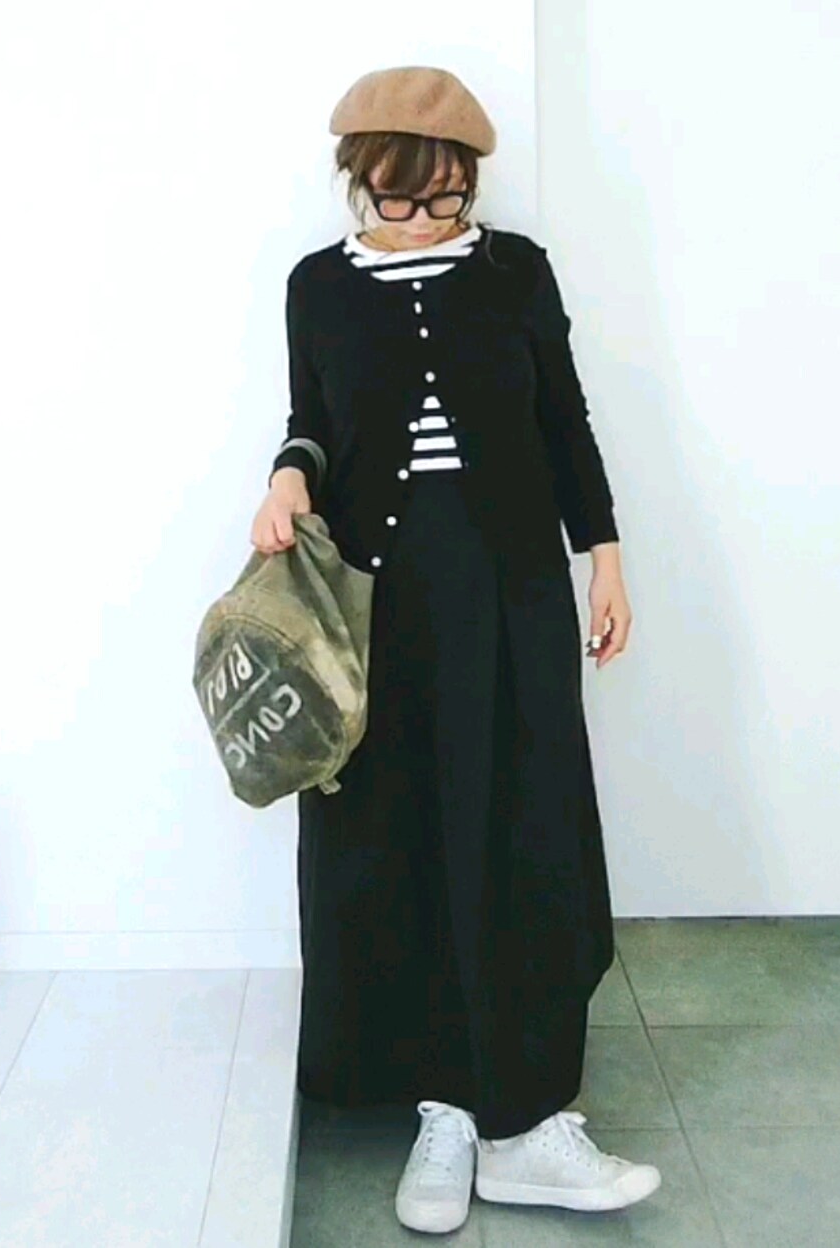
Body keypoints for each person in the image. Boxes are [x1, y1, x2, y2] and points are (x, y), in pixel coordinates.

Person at [250, 65, 661, 1233]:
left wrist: (605, 556)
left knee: (524, 830)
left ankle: (526, 1121)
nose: (426, 220)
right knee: (401, 839)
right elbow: (312, 423)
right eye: (401, 198)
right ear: (357, 180)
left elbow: (562, 418)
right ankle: (442, 1112)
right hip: (376, 604)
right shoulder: (318, 286)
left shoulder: (515, 271)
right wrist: (287, 475)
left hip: (511, 589)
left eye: (447, 198)